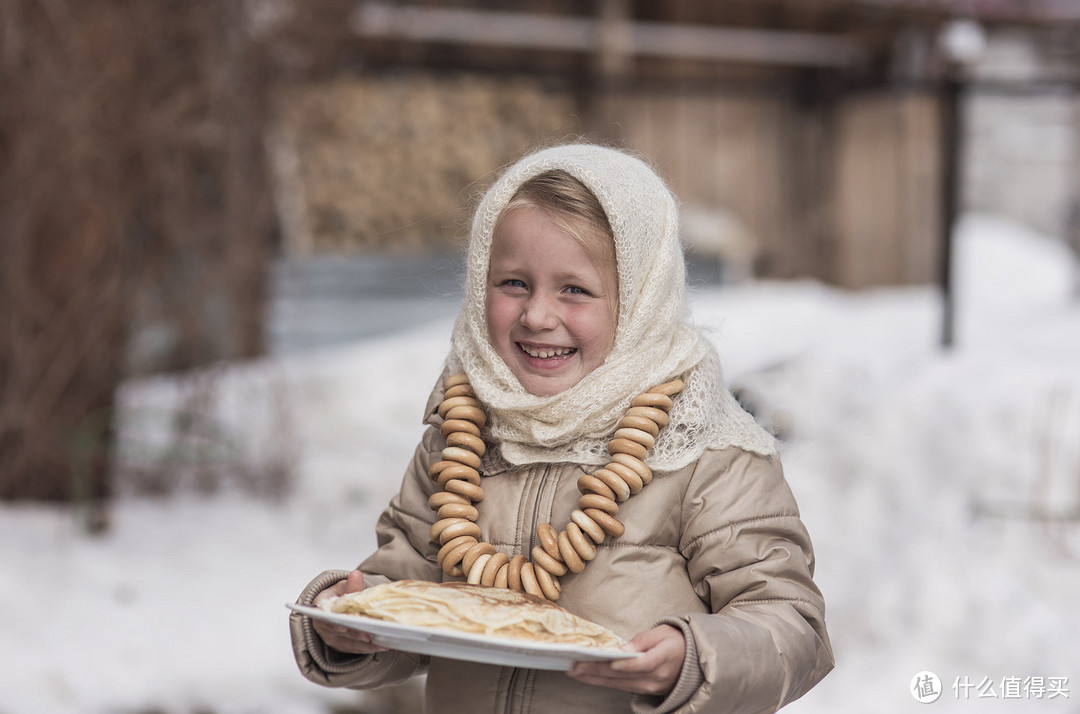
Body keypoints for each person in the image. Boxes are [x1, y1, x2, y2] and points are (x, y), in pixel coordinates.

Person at [289, 143, 833, 713]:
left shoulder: (705, 451)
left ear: (641, 302)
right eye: (513, 283)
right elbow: (404, 594)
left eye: (574, 289)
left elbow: (790, 626)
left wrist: (695, 657)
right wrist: (353, 618)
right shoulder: (460, 438)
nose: (538, 315)